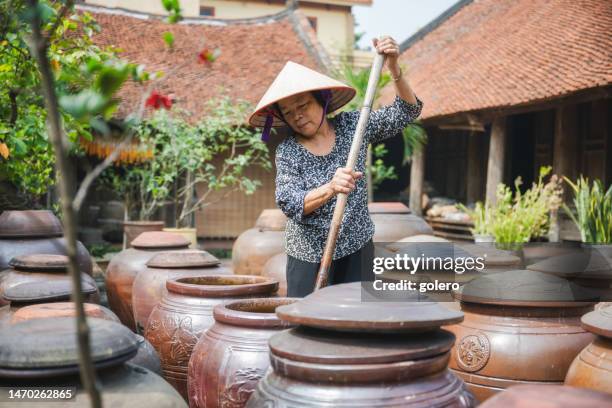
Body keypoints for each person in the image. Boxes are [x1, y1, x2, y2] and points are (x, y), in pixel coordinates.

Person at [248, 36, 423, 297]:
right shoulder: (288, 151)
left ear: (323, 101)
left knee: (356, 322)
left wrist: (394, 67)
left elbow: (407, 112)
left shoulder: (354, 126)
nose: (297, 114)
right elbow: (289, 202)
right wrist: (331, 187)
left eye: (303, 105)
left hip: (358, 247)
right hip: (308, 256)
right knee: (307, 324)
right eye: (288, 111)